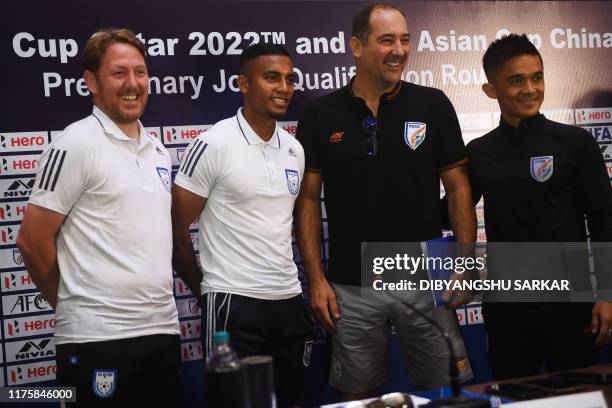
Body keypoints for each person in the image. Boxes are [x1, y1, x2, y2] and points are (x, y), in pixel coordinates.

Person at [295, 2, 476, 400]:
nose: (399, 50)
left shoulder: (433, 104)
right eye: (387, 40)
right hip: (351, 284)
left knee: (446, 391)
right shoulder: (321, 114)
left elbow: (460, 188)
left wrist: (463, 264)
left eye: (405, 39)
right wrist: (317, 278)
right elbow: (307, 200)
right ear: (356, 46)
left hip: (426, 278)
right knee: (359, 398)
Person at [16, 29, 180, 406]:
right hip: (96, 341)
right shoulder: (75, 143)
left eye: (140, 72)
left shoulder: (156, 148)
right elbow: (31, 240)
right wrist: (74, 304)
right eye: (118, 73)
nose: (133, 84)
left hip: (162, 332)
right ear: (90, 81)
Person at [171, 43, 313, 407]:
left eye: (288, 79)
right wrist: (206, 292)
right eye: (271, 78)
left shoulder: (294, 150)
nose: (284, 87)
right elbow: (174, 231)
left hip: (289, 301)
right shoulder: (213, 144)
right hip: (233, 304)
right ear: (243, 84)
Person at [468, 33, 612, 380]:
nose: (530, 88)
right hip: (507, 308)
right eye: (516, 80)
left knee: (581, 399)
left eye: (537, 77)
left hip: (571, 305)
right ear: (491, 90)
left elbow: (604, 219)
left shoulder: (576, 142)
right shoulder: (478, 151)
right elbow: (452, 213)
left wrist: (606, 293)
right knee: (514, 397)